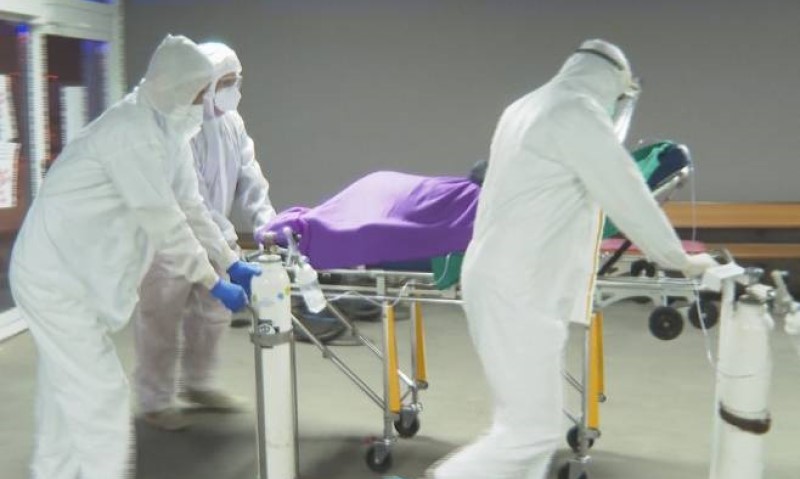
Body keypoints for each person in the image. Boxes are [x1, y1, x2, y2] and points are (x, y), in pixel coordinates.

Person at [426, 39, 718, 479]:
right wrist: (679, 259)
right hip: (518, 286)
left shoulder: (527, 106)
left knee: (528, 432)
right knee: (531, 433)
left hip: (509, 279)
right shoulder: (576, 114)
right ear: (612, 82)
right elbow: (627, 194)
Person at [9, 34, 259, 479]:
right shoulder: (130, 133)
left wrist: (229, 259)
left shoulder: (170, 131)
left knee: (64, 390)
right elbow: (164, 221)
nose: (204, 101)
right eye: (200, 92)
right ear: (176, 88)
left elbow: (191, 207)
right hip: (55, 277)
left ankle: (51, 471)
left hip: (74, 273)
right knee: (101, 393)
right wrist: (212, 281)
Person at [133, 41, 276, 430]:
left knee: (212, 315)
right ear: (203, 83)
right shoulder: (178, 126)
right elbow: (191, 202)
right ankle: (156, 400)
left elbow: (250, 175)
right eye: (224, 82)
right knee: (161, 320)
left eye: (236, 81)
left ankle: (199, 384)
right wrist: (228, 244)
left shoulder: (232, 122)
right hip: (169, 243)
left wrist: (266, 222)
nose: (233, 89)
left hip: (216, 237)